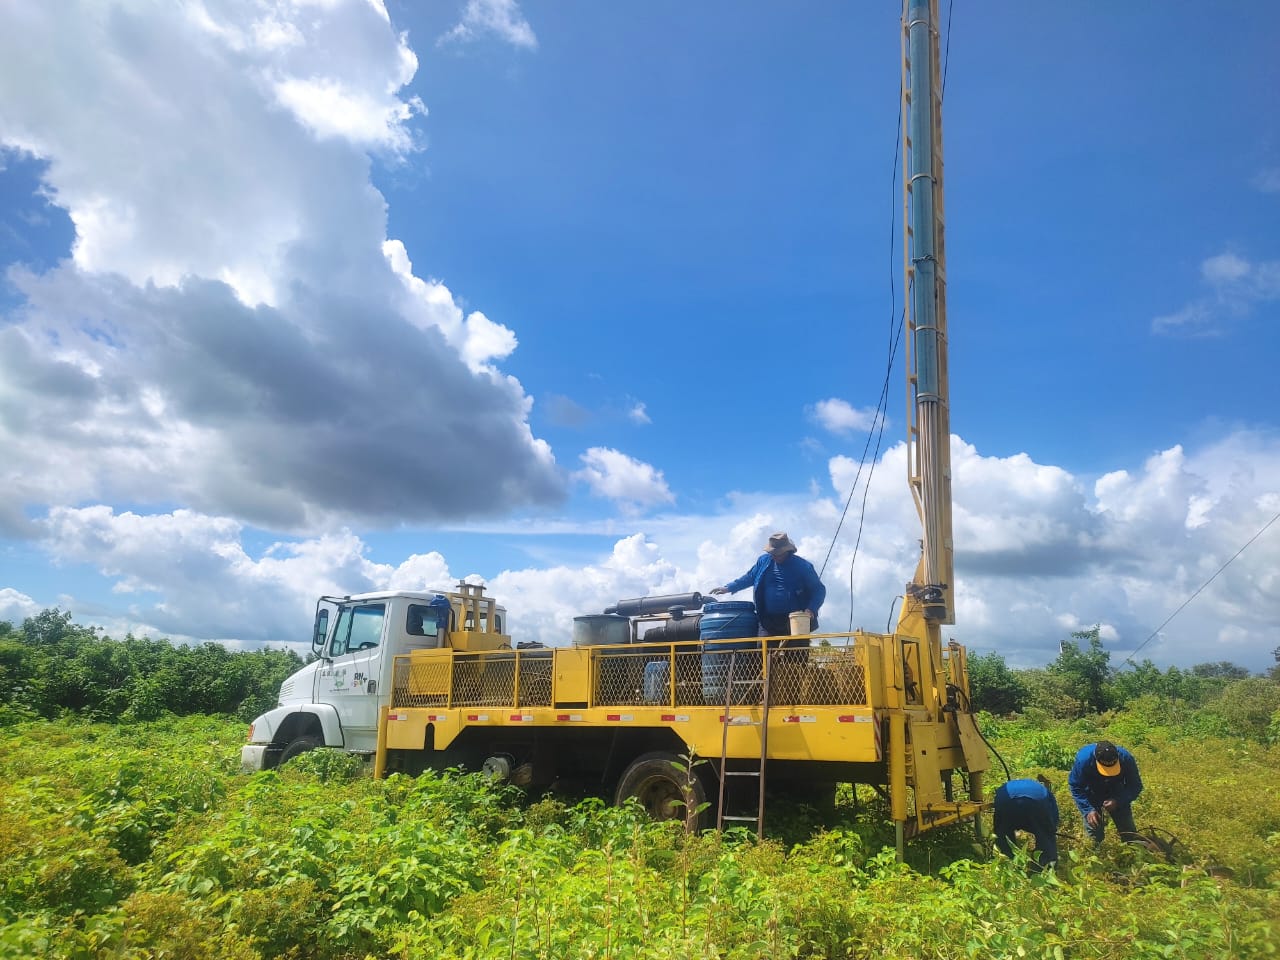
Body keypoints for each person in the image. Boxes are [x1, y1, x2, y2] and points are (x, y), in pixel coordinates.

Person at [710, 532, 826, 637]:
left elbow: (819, 590)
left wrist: (811, 609)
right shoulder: (763, 561)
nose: (774, 556)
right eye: (772, 553)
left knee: (796, 654)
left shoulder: (803, 566)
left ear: (787, 551)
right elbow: (750, 577)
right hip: (767, 619)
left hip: (795, 620)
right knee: (763, 652)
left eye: (778, 553)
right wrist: (729, 587)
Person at [1068, 740, 1143, 846]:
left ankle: (1134, 855)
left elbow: (1135, 786)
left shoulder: (1126, 758)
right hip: (1092, 792)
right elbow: (1076, 786)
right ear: (1096, 760)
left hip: (1117, 790)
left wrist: (1118, 800)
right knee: (1094, 835)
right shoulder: (1083, 760)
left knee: (1129, 832)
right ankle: (1095, 855)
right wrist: (1088, 810)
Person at [992, 775, 1059, 870]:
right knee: (1046, 836)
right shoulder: (1045, 792)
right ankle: (1046, 868)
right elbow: (1053, 816)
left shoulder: (1005, 787)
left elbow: (998, 818)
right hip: (1036, 803)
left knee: (1003, 836)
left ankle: (1007, 866)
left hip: (1006, 801)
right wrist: (1050, 830)